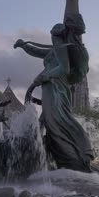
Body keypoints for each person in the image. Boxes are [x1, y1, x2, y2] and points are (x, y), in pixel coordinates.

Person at [13, 13, 93, 172]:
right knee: (52, 121)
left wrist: (43, 76)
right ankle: (57, 157)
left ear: (58, 35)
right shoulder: (56, 48)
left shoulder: (62, 47)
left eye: (53, 35)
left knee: (56, 121)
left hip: (56, 86)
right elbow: (37, 51)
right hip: (50, 86)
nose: (51, 38)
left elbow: (64, 68)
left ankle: (74, 158)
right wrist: (23, 46)